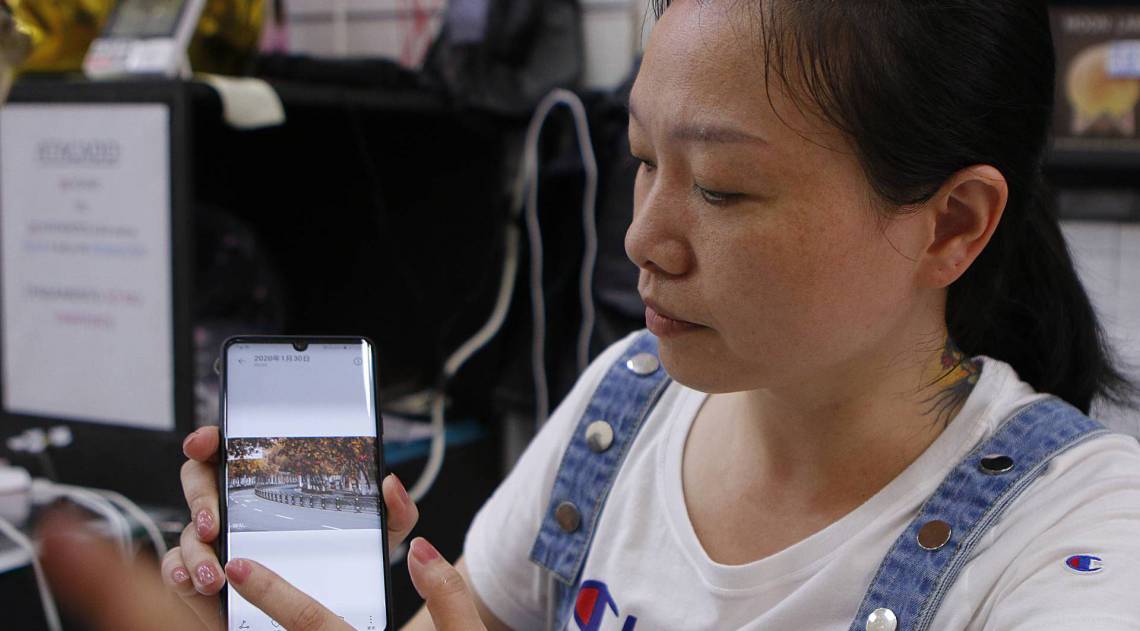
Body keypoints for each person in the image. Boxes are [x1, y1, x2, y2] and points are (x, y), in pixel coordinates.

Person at [42, 0, 1140, 629]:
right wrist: (268, 601)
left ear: (952, 223)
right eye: (644, 161)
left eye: (724, 189)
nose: (643, 239)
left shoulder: (1081, 538)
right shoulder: (624, 407)